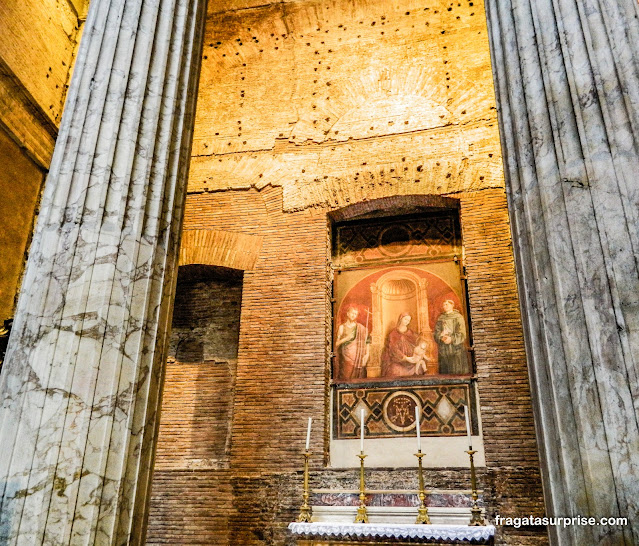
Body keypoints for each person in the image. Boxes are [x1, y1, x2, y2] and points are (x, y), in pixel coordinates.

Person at [434, 299, 469, 374]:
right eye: (444, 305)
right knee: (445, 372)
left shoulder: (458, 317)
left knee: (456, 371)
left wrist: (451, 339)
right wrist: (441, 337)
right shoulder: (441, 318)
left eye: (447, 304)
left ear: (452, 305)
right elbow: (436, 333)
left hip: (456, 350)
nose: (445, 306)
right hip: (443, 350)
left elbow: (462, 334)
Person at [335, 306, 369, 380]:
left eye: (355, 314)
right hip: (346, 358)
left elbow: (367, 342)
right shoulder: (342, 327)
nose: (354, 315)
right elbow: (336, 344)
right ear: (347, 313)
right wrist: (346, 338)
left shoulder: (361, 328)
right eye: (352, 313)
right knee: (346, 377)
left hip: (358, 358)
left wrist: (367, 354)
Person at [381, 312, 419, 377]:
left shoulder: (411, 333)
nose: (407, 321)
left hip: (411, 362)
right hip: (398, 361)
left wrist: (415, 357)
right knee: (394, 371)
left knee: (419, 369)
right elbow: (393, 349)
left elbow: (416, 344)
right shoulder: (393, 333)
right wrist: (404, 357)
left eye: (408, 320)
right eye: (405, 319)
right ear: (401, 319)